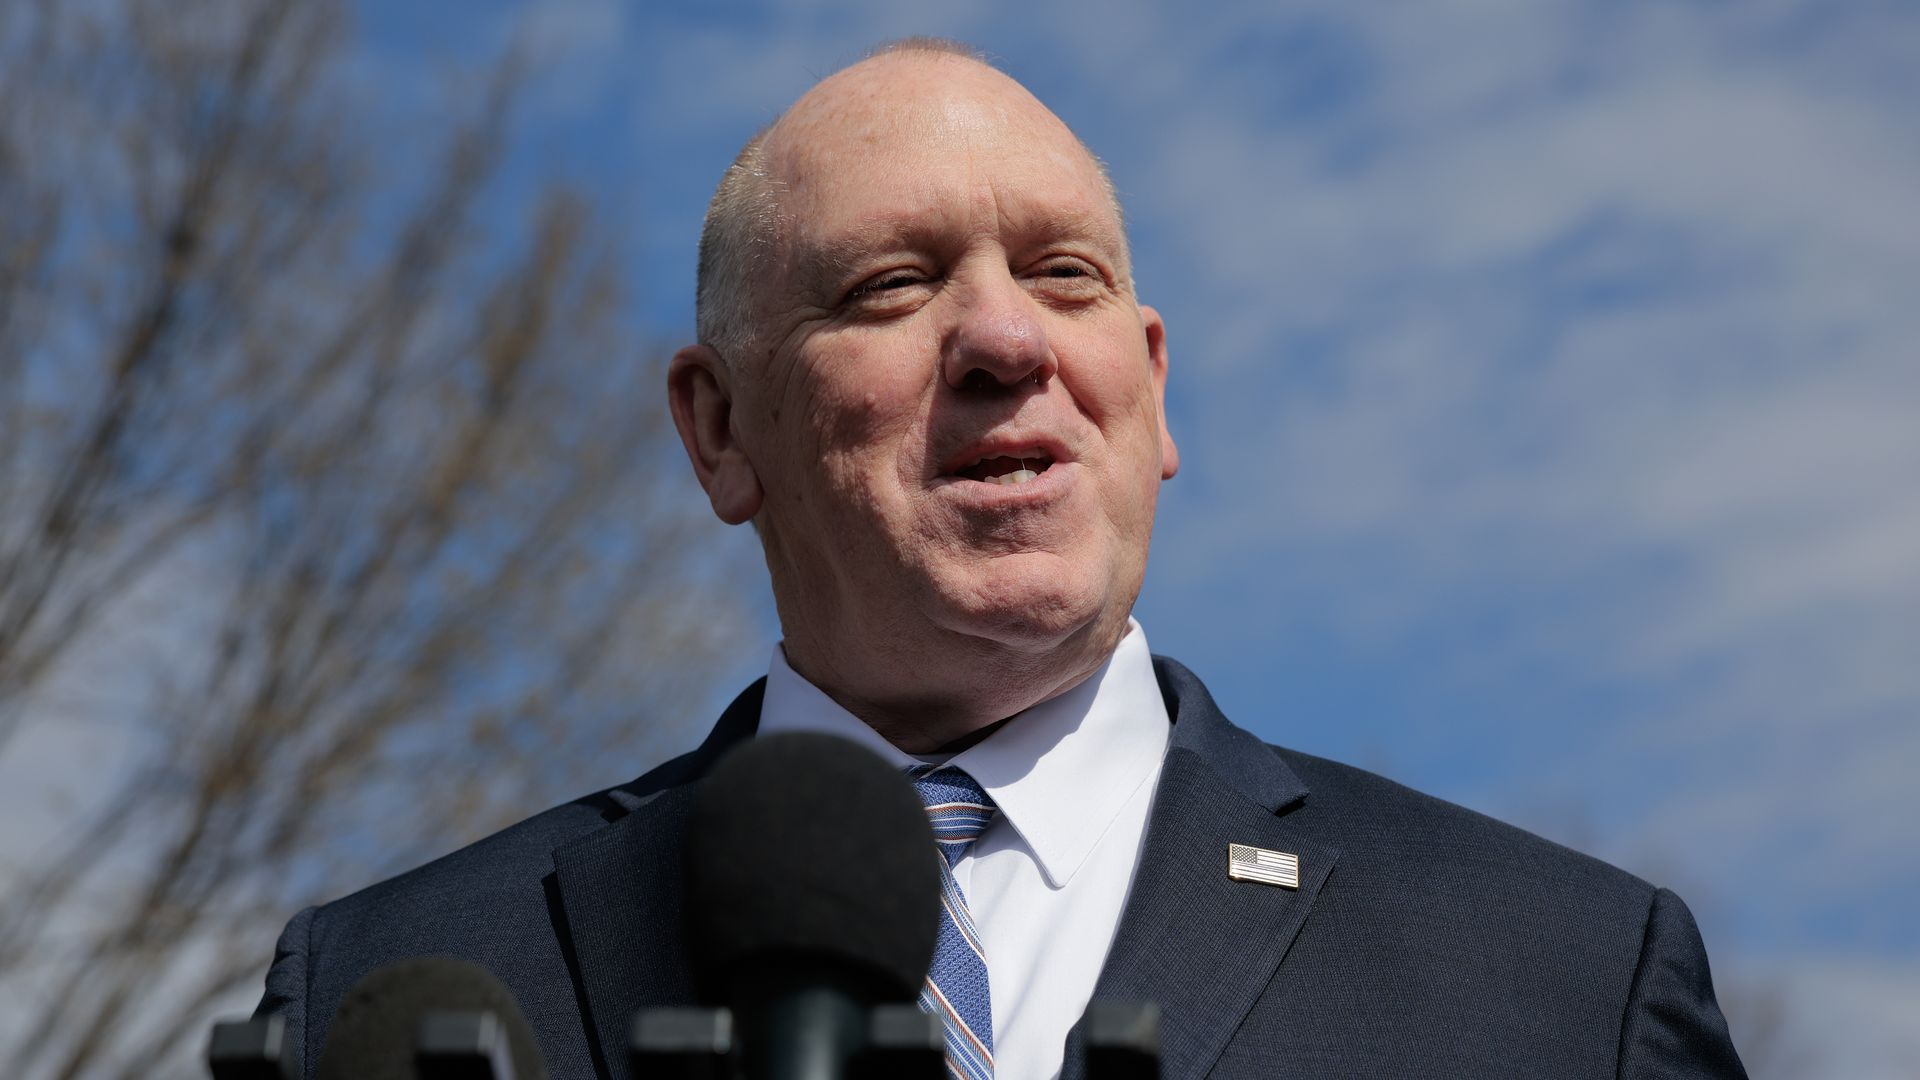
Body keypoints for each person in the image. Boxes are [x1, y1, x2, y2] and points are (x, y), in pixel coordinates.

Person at [257, 39, 1747, 1079]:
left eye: (1064, 275)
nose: (1005, 339)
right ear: (719, 429)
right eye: (893, 284)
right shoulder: (386, 997)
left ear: (1149, 388)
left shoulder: (1564, 985)